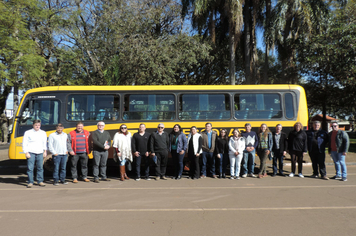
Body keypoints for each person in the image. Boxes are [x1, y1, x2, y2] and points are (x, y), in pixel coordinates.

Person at [22, 120, 47, 188]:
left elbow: (44, 143)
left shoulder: (43, 133)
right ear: (33, 125)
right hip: (31, 152)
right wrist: (26, 152)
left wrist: (45, 151)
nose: (37, 126)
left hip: (40, 152)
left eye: (38, 125)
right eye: (36, 125)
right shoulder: (28, 132)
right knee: (30, 168)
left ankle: (40, 181)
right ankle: (30, 182)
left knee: (40, 168)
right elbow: (24, 143)